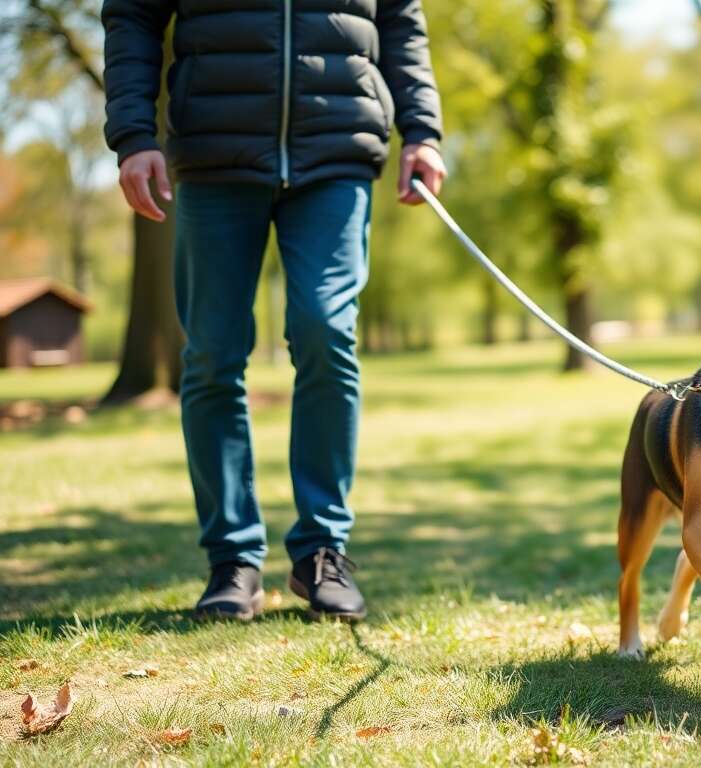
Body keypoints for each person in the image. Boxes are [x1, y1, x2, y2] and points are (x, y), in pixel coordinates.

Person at [102, 0, 446, 622]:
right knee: (211, 354)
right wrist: (132, 133)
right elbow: (132, 12)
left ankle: (322, 551)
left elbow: (399, 16)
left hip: (338, 145)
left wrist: (422, 128)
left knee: (326, 332)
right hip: (214, 148)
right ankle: (232, 560)